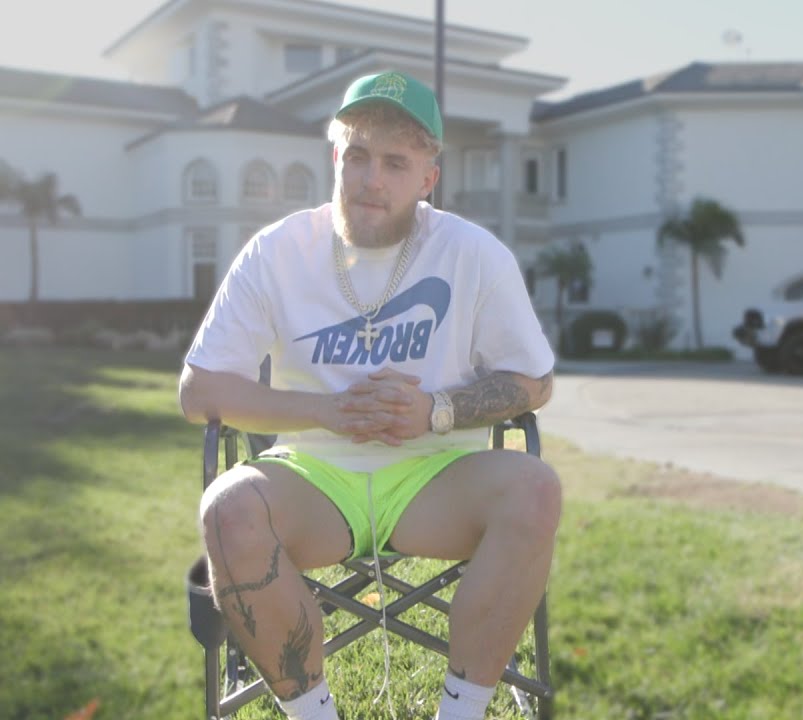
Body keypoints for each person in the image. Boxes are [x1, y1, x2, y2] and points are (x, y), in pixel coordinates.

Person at [179, 70, 560, 720]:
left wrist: (436, 410)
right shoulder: (277, 250)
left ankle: (461, 713)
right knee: (228, 509)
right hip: (315, 476)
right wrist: (326, 411)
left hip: (438, 476)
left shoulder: (472, 253)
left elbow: (534, 381)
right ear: (336, 158)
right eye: (357, 155)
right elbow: (200, 390)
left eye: (395, 163)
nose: (371, 179)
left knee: (536, 488)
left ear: (428, 178)